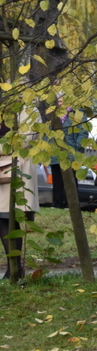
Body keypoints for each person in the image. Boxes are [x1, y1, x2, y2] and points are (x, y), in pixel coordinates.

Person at [0, 117, 40, 281]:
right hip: (4, 168)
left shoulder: (28, 110)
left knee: (9, 218)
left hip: (18, 168)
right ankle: (14, 268)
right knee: (3, 220)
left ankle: (14, 269)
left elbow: (24, 141)